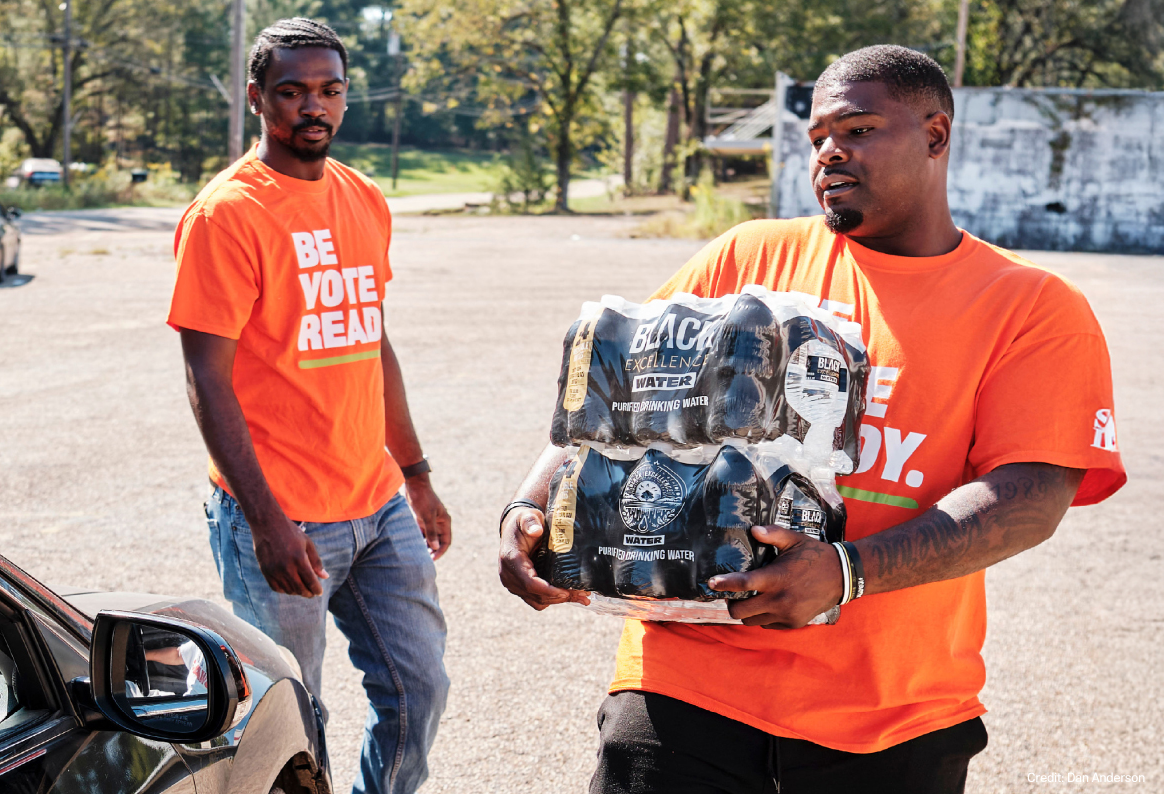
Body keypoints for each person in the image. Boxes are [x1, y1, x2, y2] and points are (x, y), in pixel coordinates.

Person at [499, 45, 1126, 793]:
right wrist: (529, 505)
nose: (830, 150)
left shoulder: (1030, 308)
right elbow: (612, 403)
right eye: (818, 136)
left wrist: (846, 572)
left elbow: (1030, 497)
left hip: (892, 718)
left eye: (858, 129)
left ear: (935, 134)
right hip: (683, 691)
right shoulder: (747, 260)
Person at [168, 18, 451, 794]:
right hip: (283, 516)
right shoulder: (227, 214)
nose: (311, 107)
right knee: (291, 721)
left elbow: (373, 345)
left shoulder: (361, 196)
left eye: (329, 91)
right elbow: (206, 379)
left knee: (419, 689)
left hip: (378, 505)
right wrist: (265, 520)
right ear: (258, 99)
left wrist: (417, 476)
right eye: (291, 92)